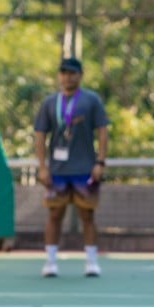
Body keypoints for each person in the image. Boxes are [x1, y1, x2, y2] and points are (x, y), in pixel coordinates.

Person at [34, 56, 109, 277]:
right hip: (57, 170)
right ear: (59, 76)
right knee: (54, 213)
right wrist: (42, 166)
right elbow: (40, 135)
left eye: (72, 73)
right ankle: (50, 261)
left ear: (80, 75)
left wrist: (100, 161)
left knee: (87, 215)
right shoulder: (49, 103)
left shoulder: (91, 100)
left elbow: (103, 132)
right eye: (64, 73)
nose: (68, 77)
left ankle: (92, 261)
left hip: (85, 168)